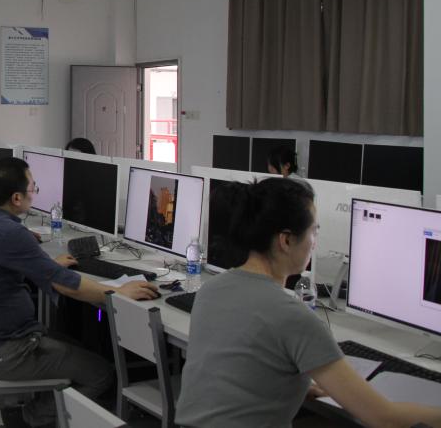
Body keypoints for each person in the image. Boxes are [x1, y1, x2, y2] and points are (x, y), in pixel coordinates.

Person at [175, 177, 441, 428]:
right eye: (314, 231)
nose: (315, 243)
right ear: (286, 240)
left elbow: (234, 375)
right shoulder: (293, 317)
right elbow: (385, 419)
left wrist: (296, 385)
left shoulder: (211, 290)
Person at [0, 157, 159, 428]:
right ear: (16, 198)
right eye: (33, 188)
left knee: (80, 345)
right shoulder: (9, 233)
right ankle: (32, 417)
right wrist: (118, 292)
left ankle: (36, 412)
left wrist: (47, 266)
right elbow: (64, 285)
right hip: (8, 352)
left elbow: (16, 267)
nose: (34, 193)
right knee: (102, 373)